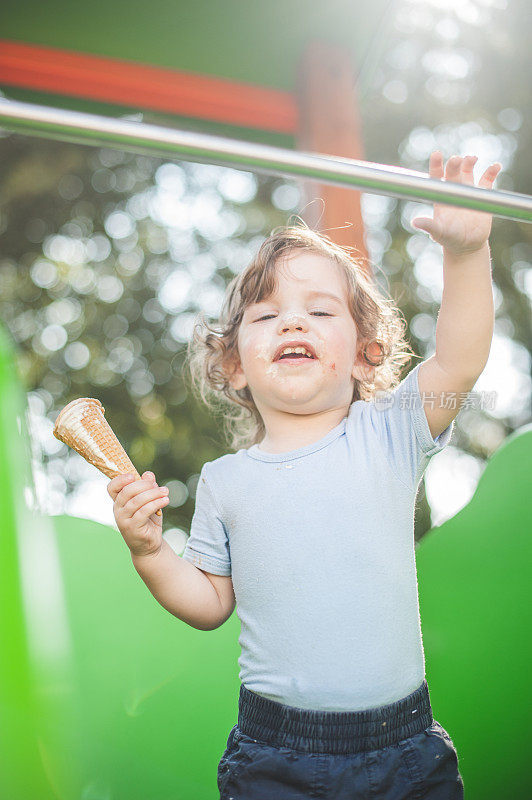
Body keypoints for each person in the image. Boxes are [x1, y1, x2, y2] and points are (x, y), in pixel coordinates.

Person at [108, 151, 501, 799]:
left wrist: (463, 254)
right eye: (266, 315)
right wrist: (150, 550)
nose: (292, 320)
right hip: (276, 756)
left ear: (365, 352)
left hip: (402, 749)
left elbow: (459, 359)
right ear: (234, 364)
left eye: (320, 312)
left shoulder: (389, 434)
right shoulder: (226, 481)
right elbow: (208, 604)